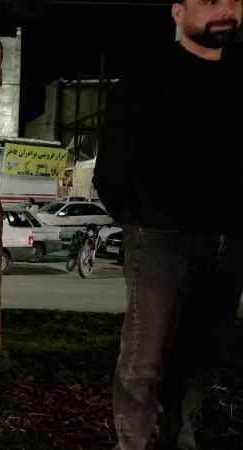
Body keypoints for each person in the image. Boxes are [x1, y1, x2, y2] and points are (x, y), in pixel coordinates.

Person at [93, 2, 243, 449]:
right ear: (178, 12)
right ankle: (133, 444)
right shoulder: (147, 81)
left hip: (231, 240)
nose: (226, 8)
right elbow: (111, 172)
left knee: (201, 357)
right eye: (210, 0)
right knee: (144, 359)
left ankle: (181, 438)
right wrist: (142, 221)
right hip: (160, 237)